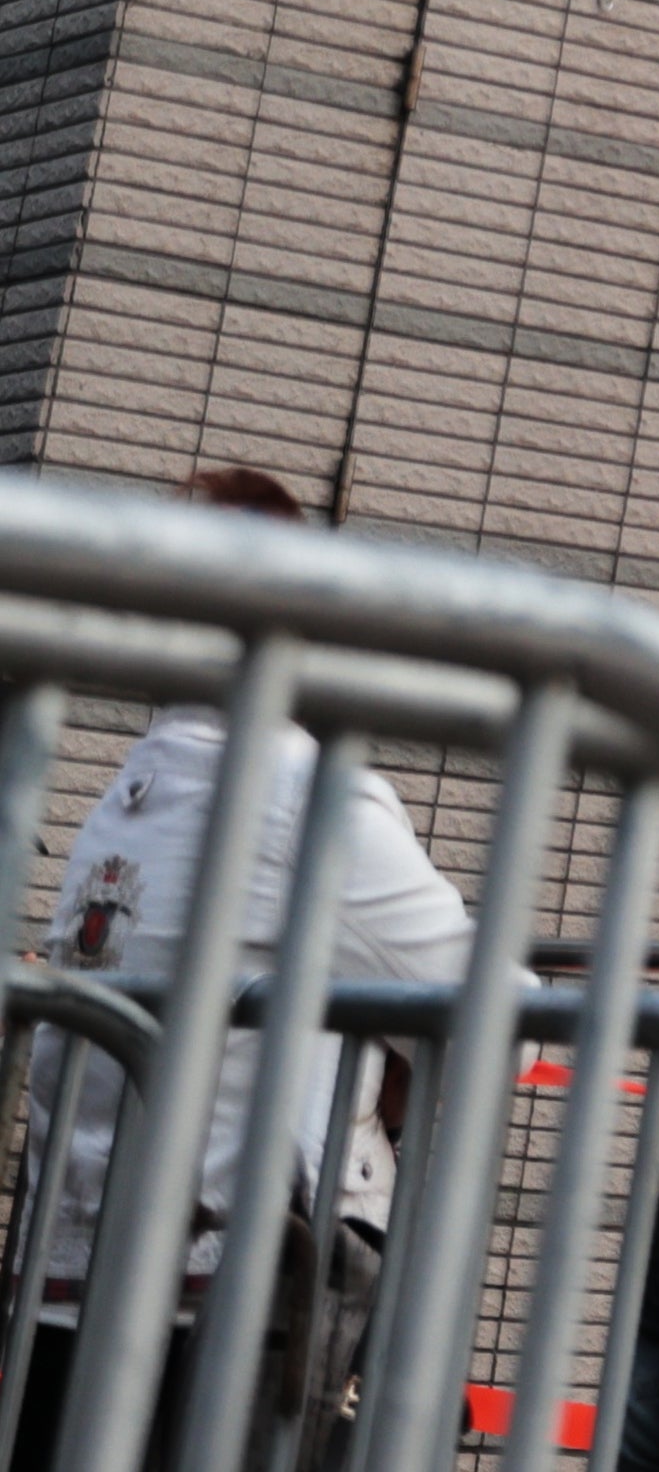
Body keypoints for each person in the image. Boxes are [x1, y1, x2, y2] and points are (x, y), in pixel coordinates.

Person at [15, 470, 470, 1472]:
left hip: (69, 1285)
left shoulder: (130, 792)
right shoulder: (297, 793)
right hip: (235, 1306)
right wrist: (386, 1074)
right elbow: (505, 1014)